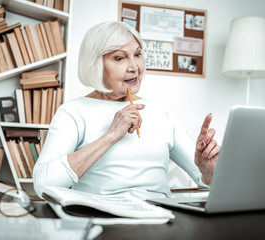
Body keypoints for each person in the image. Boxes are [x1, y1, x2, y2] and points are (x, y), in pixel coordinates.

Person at [33, 21, 220, 200]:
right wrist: (111, 135)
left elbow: (206, 181)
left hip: (158, 221)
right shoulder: (73, 112)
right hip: (100, 220)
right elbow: (44, 185)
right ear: (96, 64)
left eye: (137, 55)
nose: (135, 67)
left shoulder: (160, 112)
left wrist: (208, 170)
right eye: (120, 58)